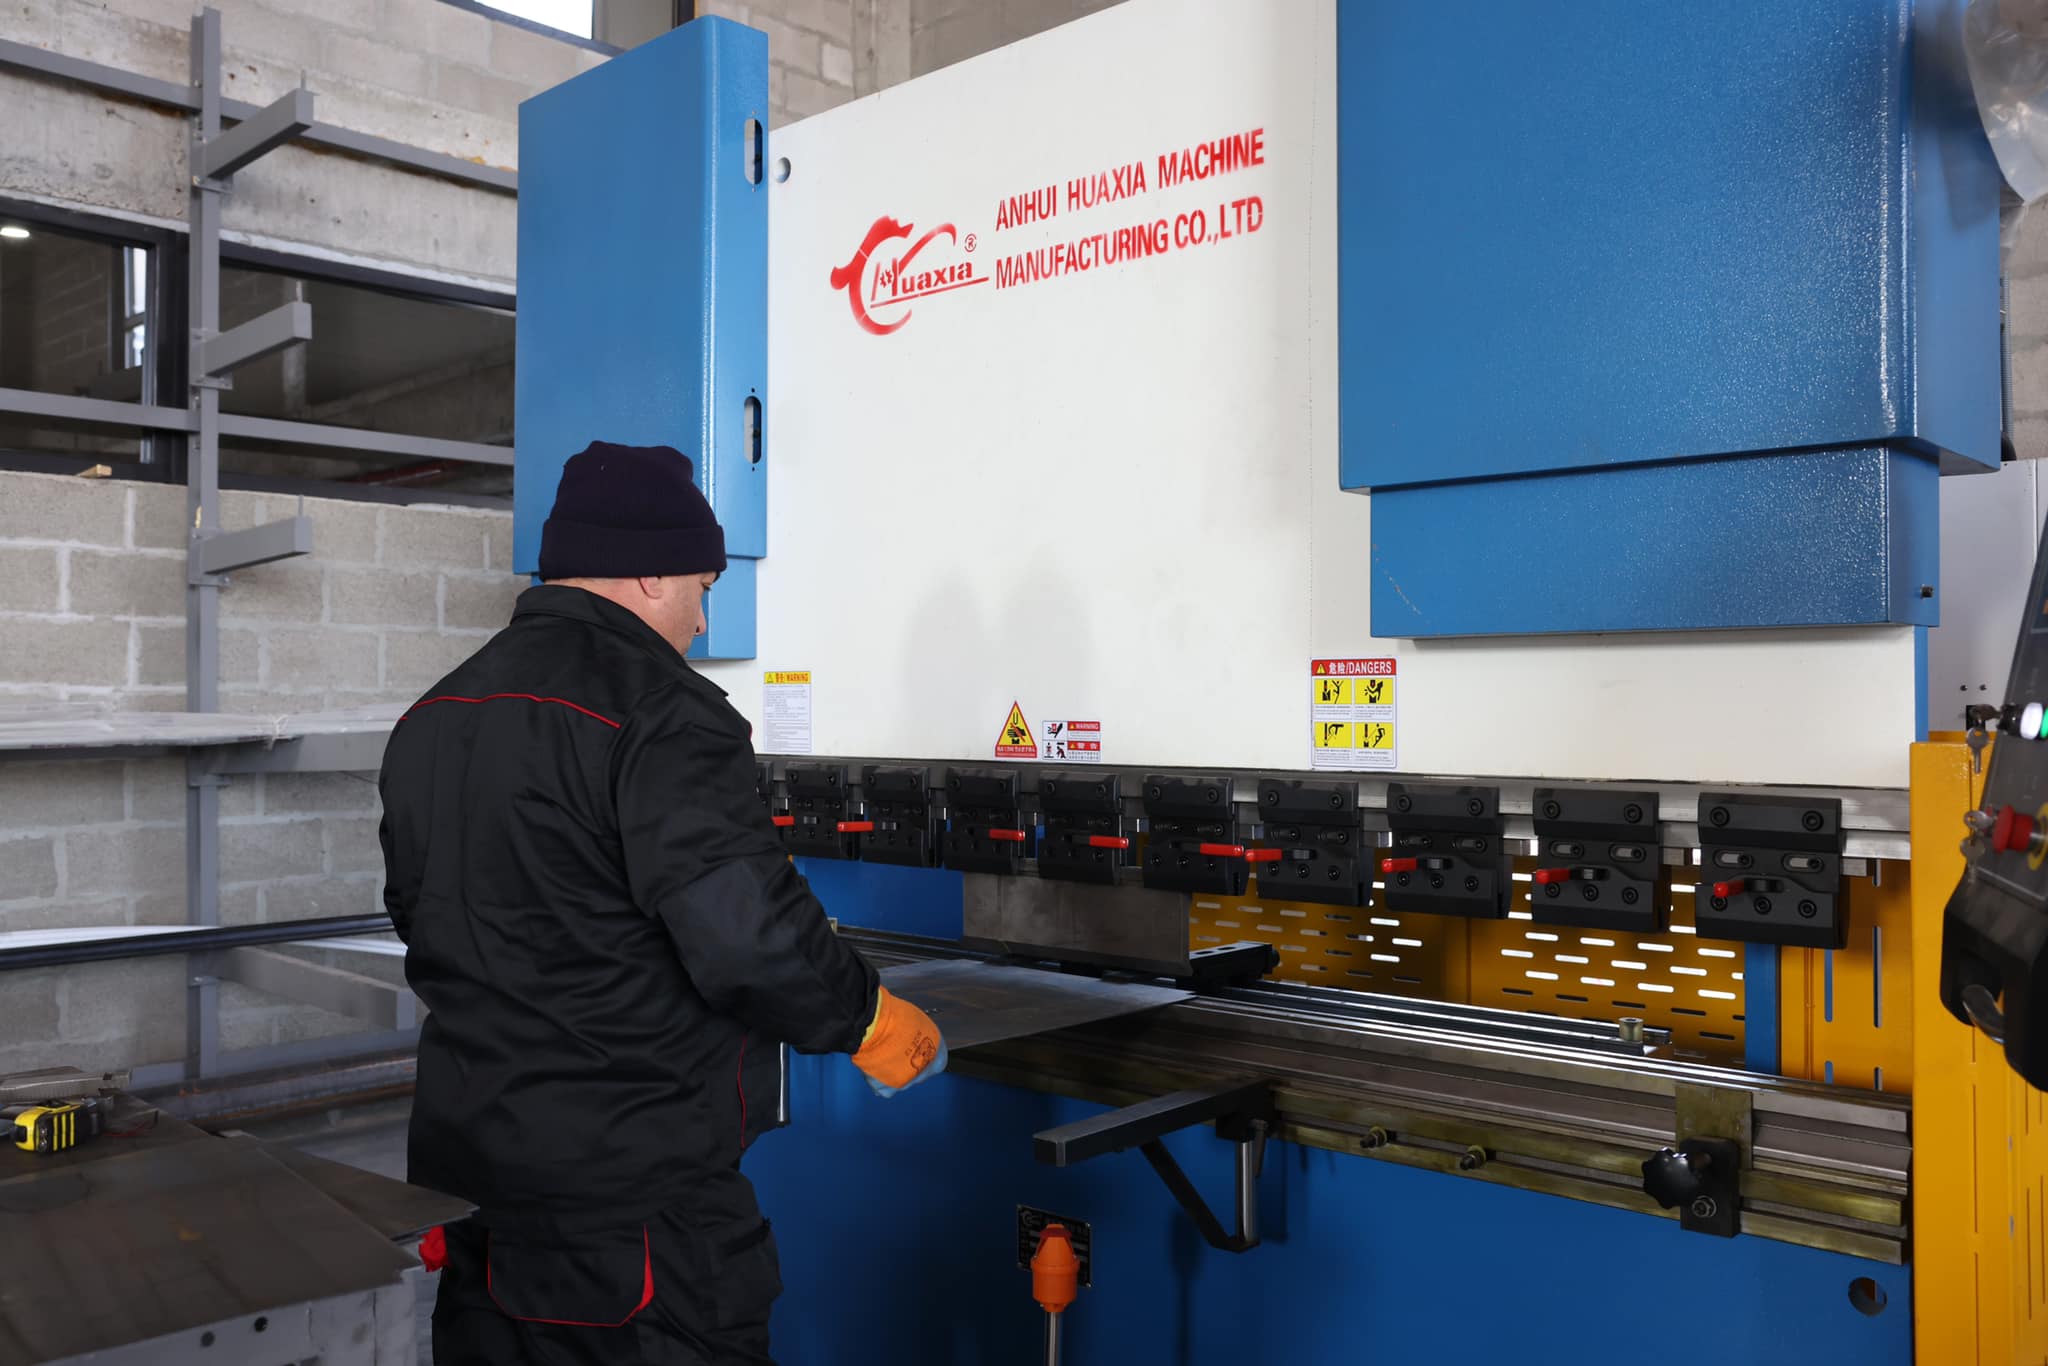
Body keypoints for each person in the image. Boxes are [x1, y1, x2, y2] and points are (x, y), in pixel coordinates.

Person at [378, 440, 947, 1366]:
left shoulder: (434, 715)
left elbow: (422, 915)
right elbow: (749, 937)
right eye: (701, 587)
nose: (700, 617)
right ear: (649, 573)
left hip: (477, 1189)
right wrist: (871, 1021)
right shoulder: (664, 713)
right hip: (633, 1217)